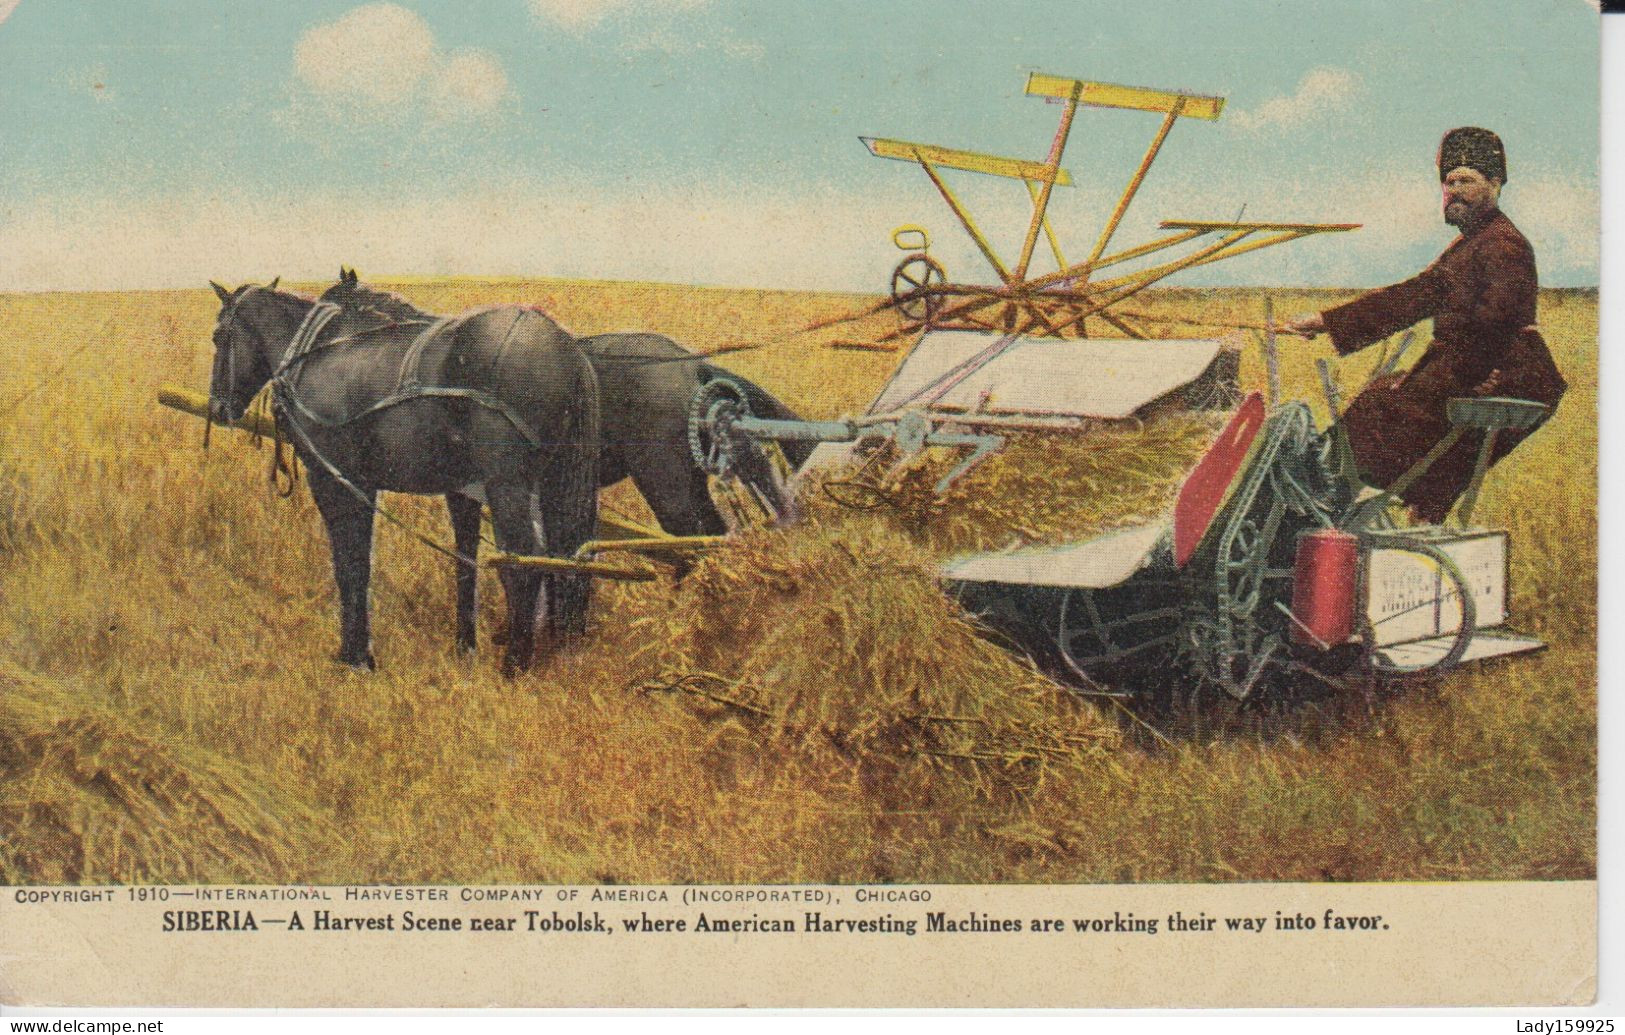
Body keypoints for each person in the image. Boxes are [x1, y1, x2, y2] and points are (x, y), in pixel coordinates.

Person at [1281, 127, 1567, 523]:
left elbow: (1494, 326)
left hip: (1506, 375)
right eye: (1448, 183)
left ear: (1496, 183)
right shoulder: (1471, 245)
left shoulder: (1503, 245)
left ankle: (1318, 502)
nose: (1453, 191)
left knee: (1383, 409)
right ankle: (1349, 500)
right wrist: (1325, 322)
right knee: (1383, 400)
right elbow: (1412, 297)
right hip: (1479, 370)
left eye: (1465, 180)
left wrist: (1462, 378)